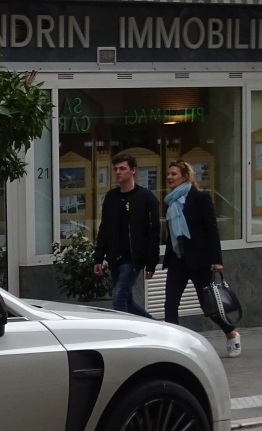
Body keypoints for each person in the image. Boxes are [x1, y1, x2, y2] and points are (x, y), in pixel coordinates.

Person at [161, 160, 241, 357]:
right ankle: (174, 346)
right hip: (178, 260)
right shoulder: (171, 201)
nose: (169, 177)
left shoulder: (199, 198)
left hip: (200, 260)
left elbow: (211, 229)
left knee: (209, 306)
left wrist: (216, 259)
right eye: (169, 174)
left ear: (185, 177)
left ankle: (231, 333)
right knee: (170, 303)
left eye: (174, 174)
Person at [92, 152, 159, 318]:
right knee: (127, 300)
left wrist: (151, 263)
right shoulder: (111, 197)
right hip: (115, 255)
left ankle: (124, 332)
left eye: (122, 168)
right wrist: (99, 257)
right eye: (115, 169)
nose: (118, 172)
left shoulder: (145, 197)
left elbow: (153, 231)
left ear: (133, 170)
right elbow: (104, 228)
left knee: (119, 296)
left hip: (133, 258)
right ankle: (152, 324)